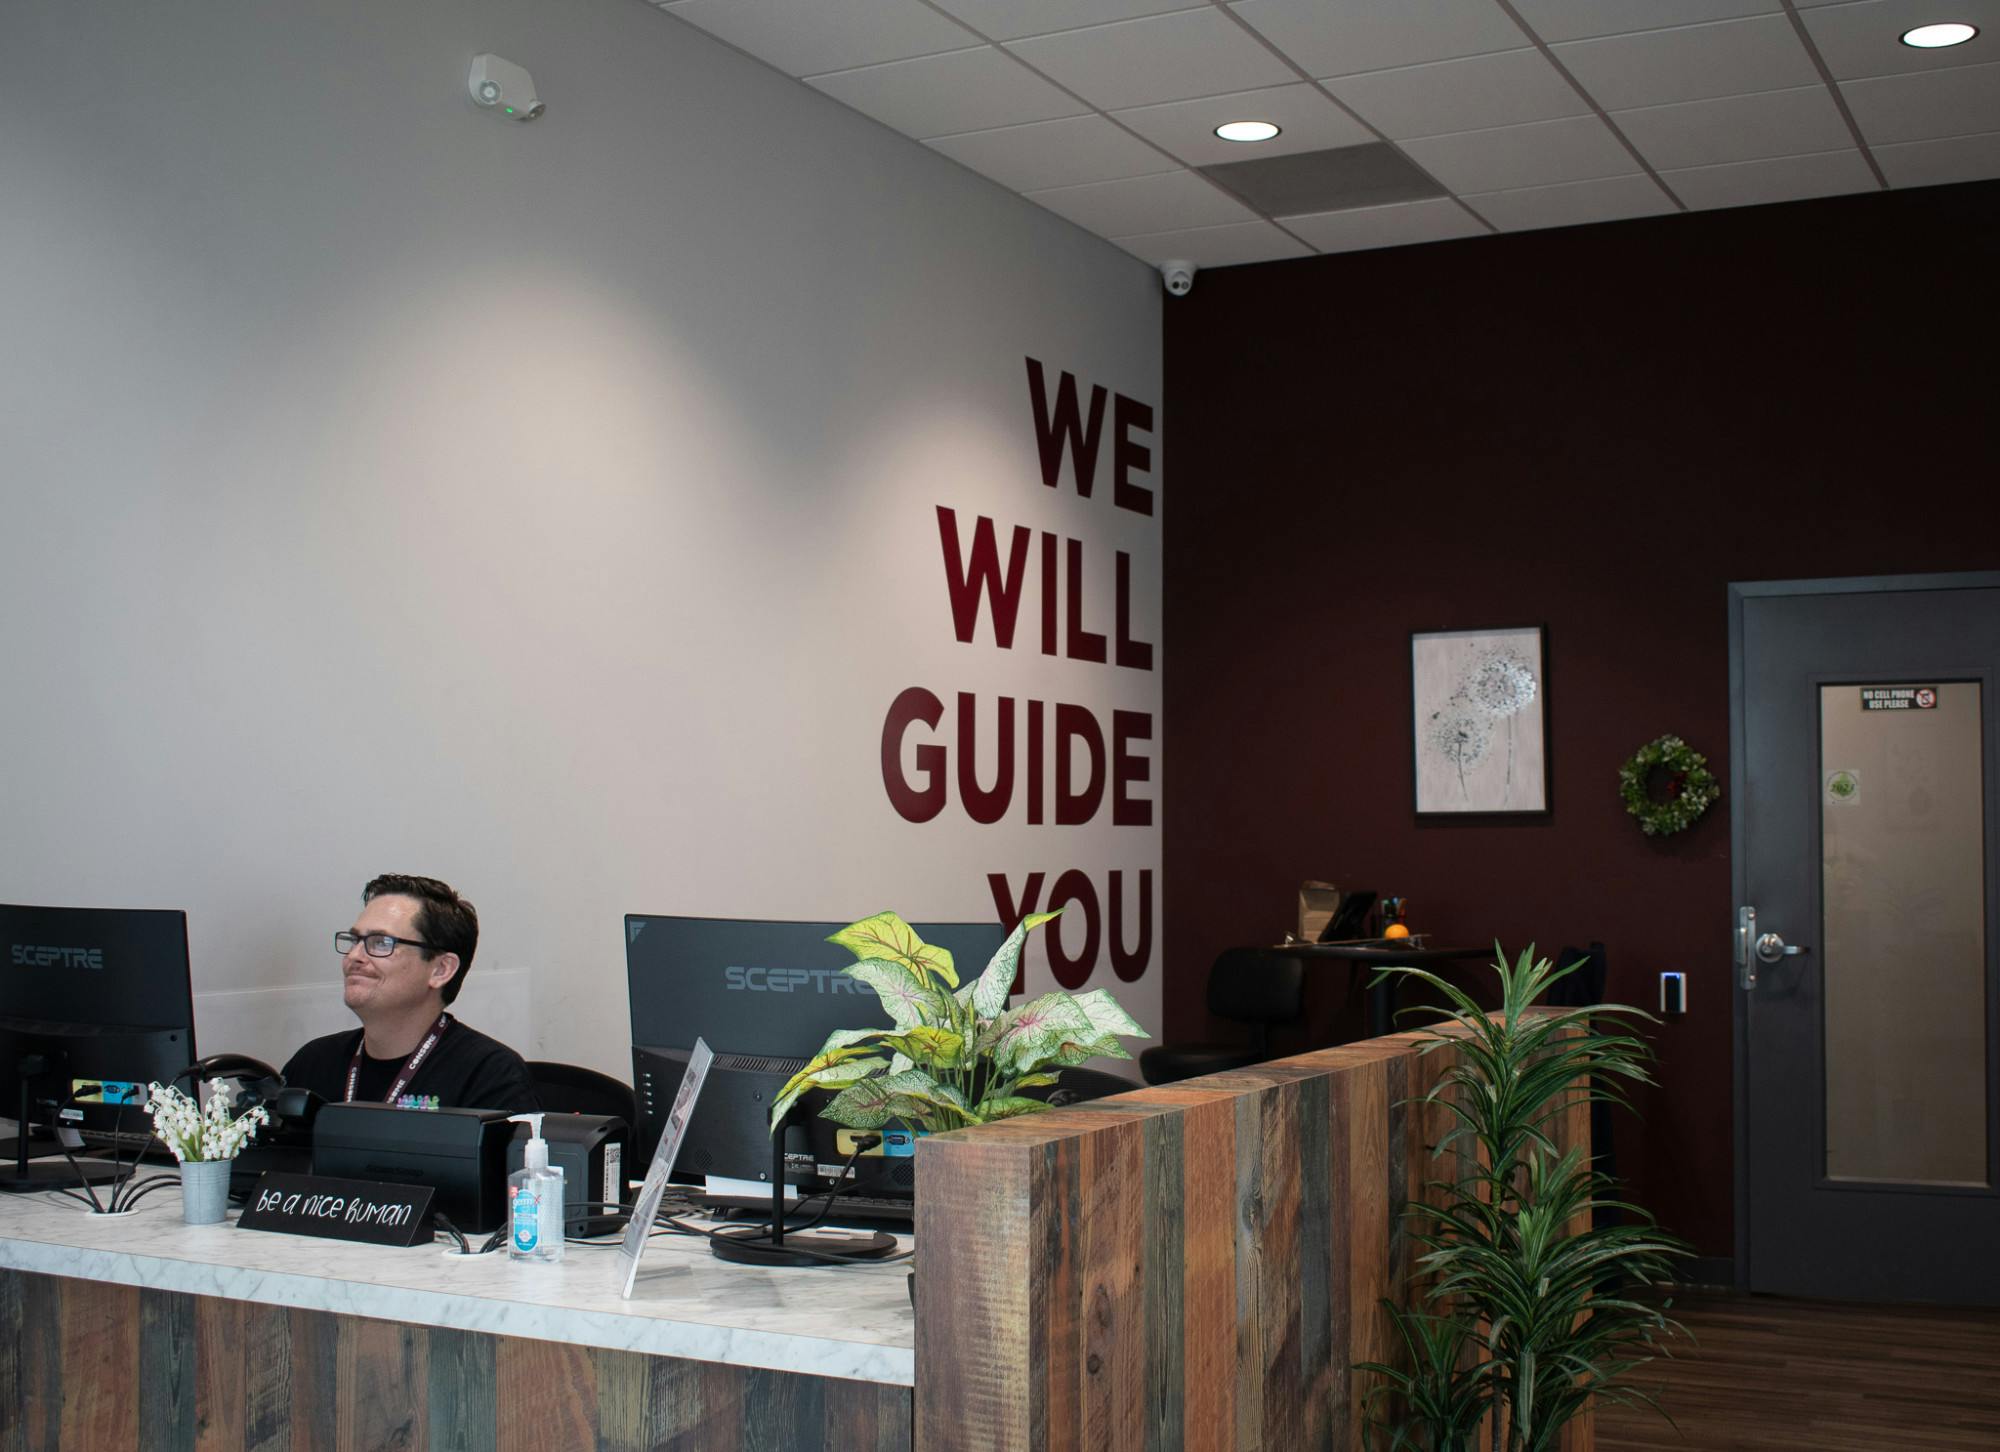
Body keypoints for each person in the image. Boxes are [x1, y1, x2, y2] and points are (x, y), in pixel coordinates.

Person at [281, 874, 540, 1112]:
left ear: (441, 969)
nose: (354, 956)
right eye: (355, 940)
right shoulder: (313, 1063)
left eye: (381, 943)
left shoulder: (489, 1074)